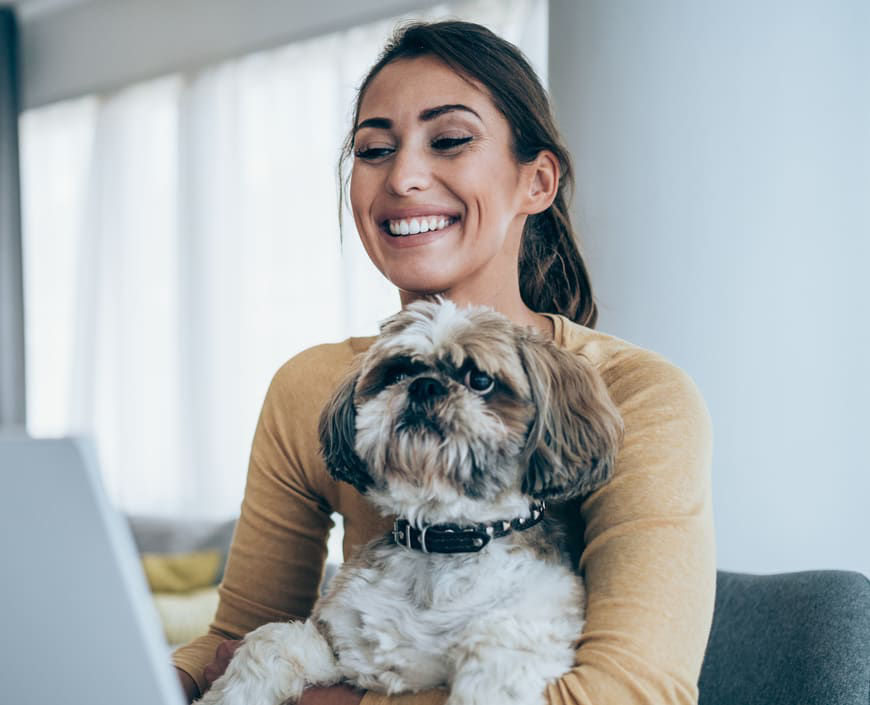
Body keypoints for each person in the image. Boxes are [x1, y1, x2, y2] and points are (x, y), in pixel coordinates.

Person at [172, 20, 715, 705]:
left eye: (450, 140)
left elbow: (636, 693)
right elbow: (239, 637)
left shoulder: (638, 394)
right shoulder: (310, 385)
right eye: (374, 150)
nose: (402, 177)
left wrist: (324, 703)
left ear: (538, 180)